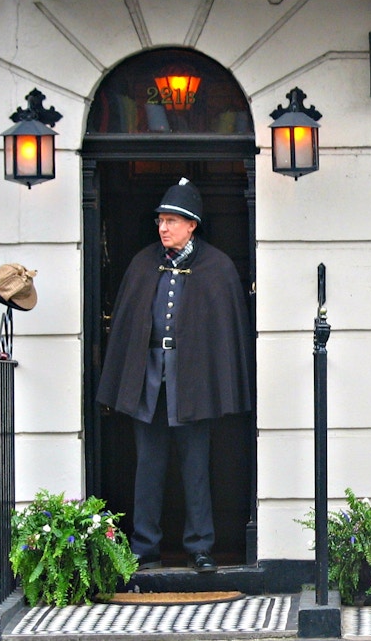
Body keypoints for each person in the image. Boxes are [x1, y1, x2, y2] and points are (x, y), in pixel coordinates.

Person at [96, 177, 253, 573]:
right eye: (161, 220)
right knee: (147, 467)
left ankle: (200, 547)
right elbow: (129, 325)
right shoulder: (143, 263)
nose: (163, 227)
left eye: (172, 220)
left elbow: (224, 332)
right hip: (147, 382)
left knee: (195, 468)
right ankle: (144, 547)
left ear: (192, 225)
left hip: (193, 383)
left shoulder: (215, 267)